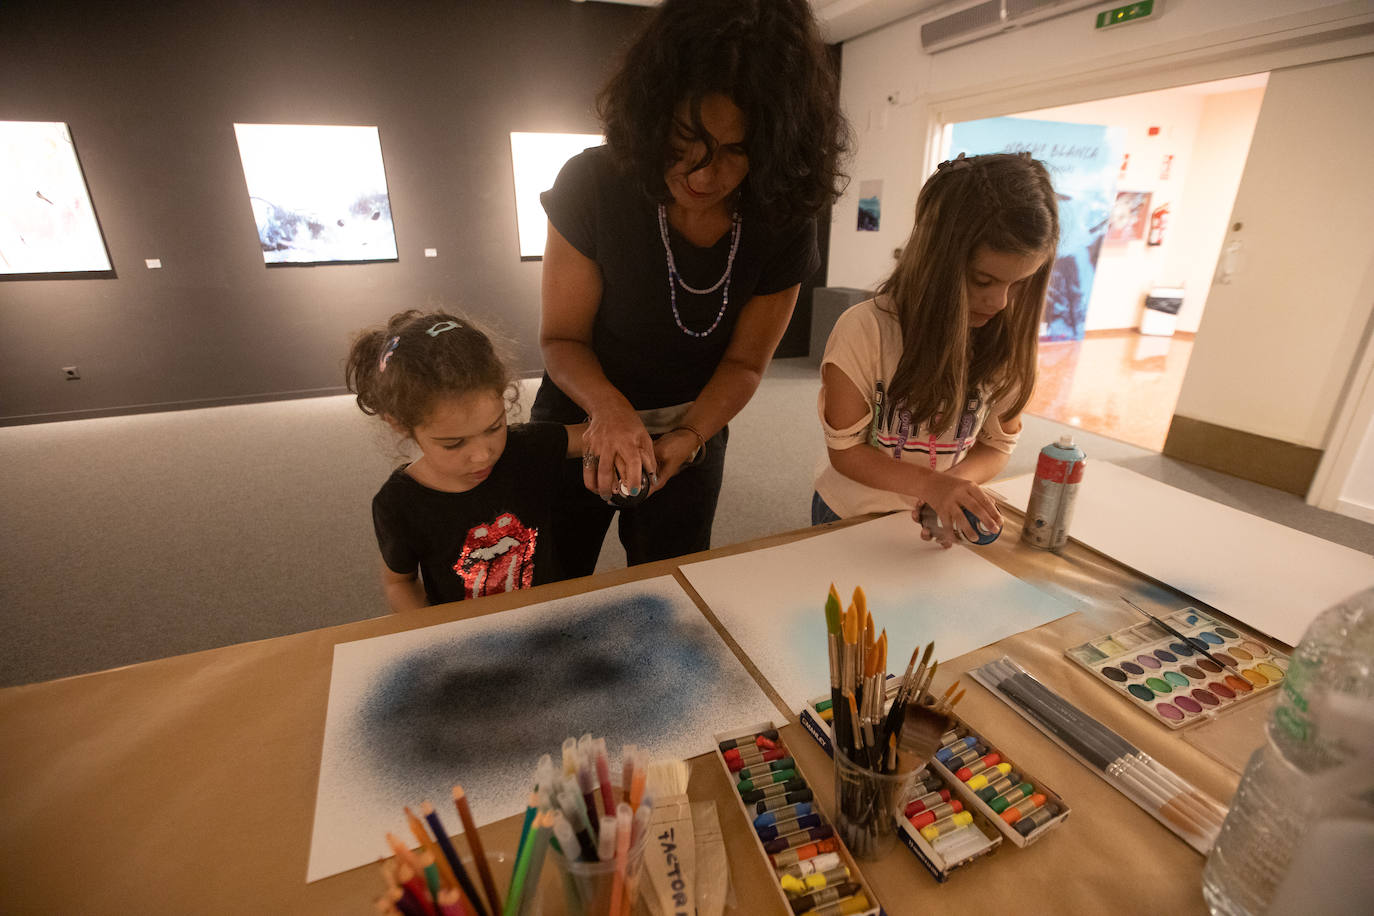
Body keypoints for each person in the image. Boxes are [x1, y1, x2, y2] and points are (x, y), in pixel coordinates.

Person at [532, 0, 849, 576]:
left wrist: (693, 436)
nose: (704, 176)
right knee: (551, 575)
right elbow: (561, 339)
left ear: (777, 143)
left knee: (669, 584)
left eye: (734, 151)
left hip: (695, 422)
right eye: (683, 143)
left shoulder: (781, 216)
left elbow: (747, 364)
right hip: (582, 414)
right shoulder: (593, 183)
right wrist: (611, 410)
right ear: (651, 118)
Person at [813, 152, 1059, 547]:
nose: (1000, 303)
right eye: (983, 280)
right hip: (850, 511)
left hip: (934, 511)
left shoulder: (1006, 342)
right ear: (936, 265)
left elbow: (997, 445)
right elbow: (846, 453)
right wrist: (933, 485)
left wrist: (948, 489)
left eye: (1020, 283)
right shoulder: (864, 329)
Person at [346, 310, 585, 611]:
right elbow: (399, 582)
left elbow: (600, 437)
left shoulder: (528, 447)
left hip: (549, 618)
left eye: (495, 427)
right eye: (453, 443)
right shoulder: (398, 503)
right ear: (400, 424)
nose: (483, 455)